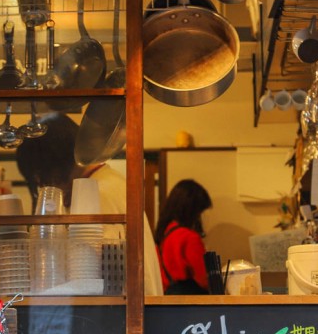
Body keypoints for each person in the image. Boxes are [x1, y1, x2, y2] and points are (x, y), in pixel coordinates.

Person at [16, 112, 164, 296]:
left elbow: (94, 273)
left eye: (41, 177)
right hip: (134, 307)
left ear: (56, 166)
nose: (45, 185)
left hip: (123, 311)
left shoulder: (97, 194)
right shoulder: (107, 182)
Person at [154, 179, 213, 295]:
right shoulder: (189, 237)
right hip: (190, 304)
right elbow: (203, 280)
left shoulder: (163, 234)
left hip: (166, 300)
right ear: (192, 210)